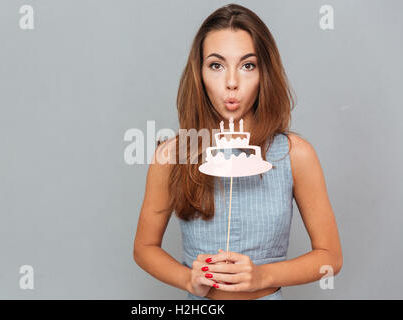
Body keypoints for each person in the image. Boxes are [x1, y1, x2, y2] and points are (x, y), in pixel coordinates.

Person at [133, 3, 342, 300]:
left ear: (264, 72)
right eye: (216, 65)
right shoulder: (174, 155)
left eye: (247, 65)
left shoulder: (295, 154)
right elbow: (144, 248)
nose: (232, 83)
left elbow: (330, 257)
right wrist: (188, 279)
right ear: (200, 73)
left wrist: (263, 275)